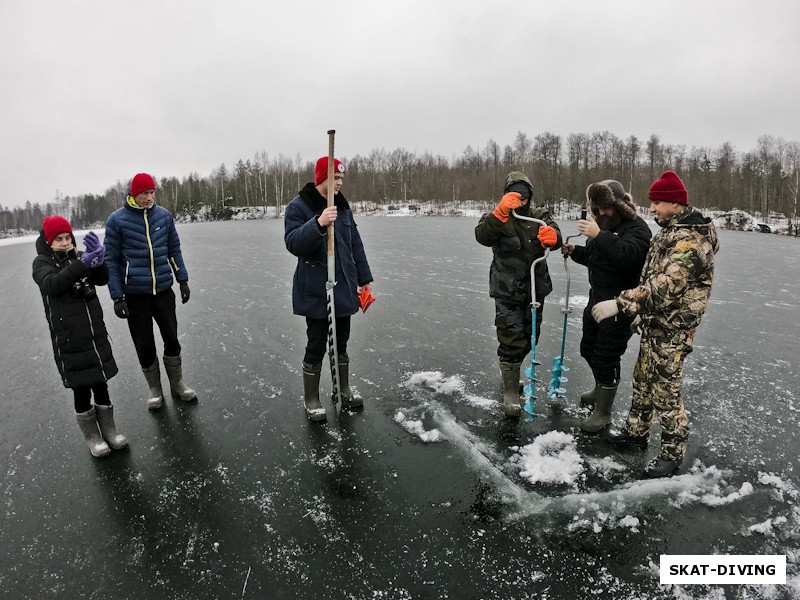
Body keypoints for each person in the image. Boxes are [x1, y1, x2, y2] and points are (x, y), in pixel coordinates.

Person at [591, 170, 719, 478]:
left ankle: (672, 454)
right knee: (643, 379)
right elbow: (651, 275)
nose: (653, 209)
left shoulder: (690, 240)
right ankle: (636, 433)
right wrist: (641, 312)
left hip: (674, 328)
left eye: (658, 203)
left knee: (665, 390)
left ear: (676, 204)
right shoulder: (669, 229)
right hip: (656, 321)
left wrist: (621, 304)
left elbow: (666, 286)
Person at [284, 156, 373, 421]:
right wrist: (319, 223)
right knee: (316, 343)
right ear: (322, 177)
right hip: (316, 289)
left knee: (341, 342)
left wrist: (364, 278)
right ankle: (311, 398)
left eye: (341, 179)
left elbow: (355, 244)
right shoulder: (299, 207)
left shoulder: (343, 207)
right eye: (336, 178)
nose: (339, 183)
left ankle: (342, 390)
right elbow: (293, 243)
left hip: (343, 286)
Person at [33, 216, 127, 457]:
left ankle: (109, 431)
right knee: (81, 389)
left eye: (68, 238)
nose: (65, 243)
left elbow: (102, 279)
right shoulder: (41, 263)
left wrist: (98, 260)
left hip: (93, 334)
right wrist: (83, 264)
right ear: (48, 240)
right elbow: (53, 284)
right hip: (69, 339)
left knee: (101, 384)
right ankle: (92, 437)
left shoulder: (78, 256)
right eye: (59, 239)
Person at [561, 180, 651, 432]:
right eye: (597, 208)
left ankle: (604, 412)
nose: (601, 213)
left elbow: (629, 256)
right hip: (596, 299)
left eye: (607, 208)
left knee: (606, 356)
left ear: (621, 205)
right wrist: (574, 250)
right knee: (588, 350)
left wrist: (599, 236)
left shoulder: (637, 228)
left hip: (619, 305)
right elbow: (595, 257)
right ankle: (600, 389)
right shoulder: (602, 225)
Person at [104, 173, 197, 411]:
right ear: (134, 194)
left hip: (163, 290)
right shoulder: (117, 220)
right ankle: (155, 389)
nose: (149, 197)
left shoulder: (164, 216)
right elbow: (111, 260)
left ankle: (177, 384)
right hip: (135, 295)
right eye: (144, 193)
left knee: (172, 338)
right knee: (144, 344)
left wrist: (182, 279)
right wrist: (117, 296)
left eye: (152, 192)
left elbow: (174, 249)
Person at [475, 171, 561, 417]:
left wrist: (554, 238)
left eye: (525, 195)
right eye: (515, 194)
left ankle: (511, 374)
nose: (521, 199)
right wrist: (500, 213)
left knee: (531, 335)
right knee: (510, 338)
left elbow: (555, 234)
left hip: (535, 289)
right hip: (507, 290)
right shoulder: (497, 217)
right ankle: (511, 390)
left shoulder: (539, 216)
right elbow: (482, 236)